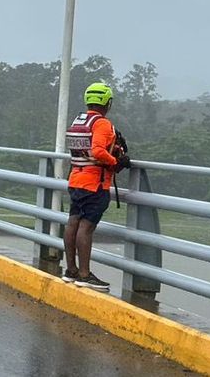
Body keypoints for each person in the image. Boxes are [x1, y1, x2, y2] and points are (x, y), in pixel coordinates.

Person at [62, 82, 130, 292]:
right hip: (94, 184)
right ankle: (84, 274)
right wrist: (116, 162)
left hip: (75, 180)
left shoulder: (80, 120)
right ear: (108, 103)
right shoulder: (101, 124)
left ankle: (71, 270)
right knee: (86, 228)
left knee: (73, 223)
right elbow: (98, 151)